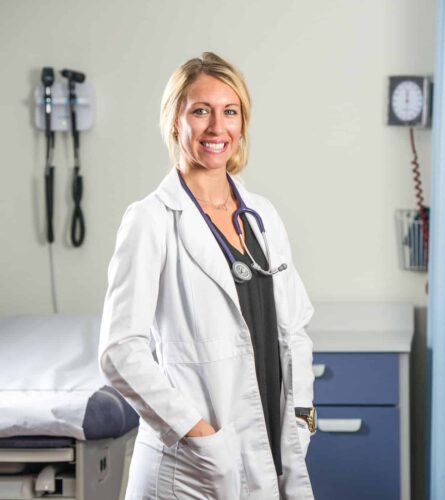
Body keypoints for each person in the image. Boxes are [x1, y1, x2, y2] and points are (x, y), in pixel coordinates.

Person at [99, 52, 316, 500]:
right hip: (192, 467)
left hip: (271, 449)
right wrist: (197, 434)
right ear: (174, 121)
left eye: (230, 111)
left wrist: (300, 414)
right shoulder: (152, 219)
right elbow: (119, 350)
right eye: (201, 111)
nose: (218, 128)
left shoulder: (263, 217)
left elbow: (295, 328)